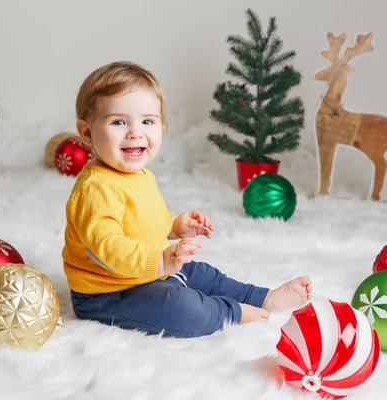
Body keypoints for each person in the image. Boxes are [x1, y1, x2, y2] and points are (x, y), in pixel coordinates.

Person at [61, 61, 312, 338]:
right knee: (180, 307)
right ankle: (231, 313)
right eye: (119, 122)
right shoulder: (96, 188)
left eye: (147, 121)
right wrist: (160, 262)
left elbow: (142, 221)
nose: (135, 132)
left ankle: (264, 298)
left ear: (162, 126)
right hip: (110, 292)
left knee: (203, 273)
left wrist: (174, 225)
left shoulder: (138, 174)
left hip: (152, 272)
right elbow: (106, 247)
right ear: (86, 133)